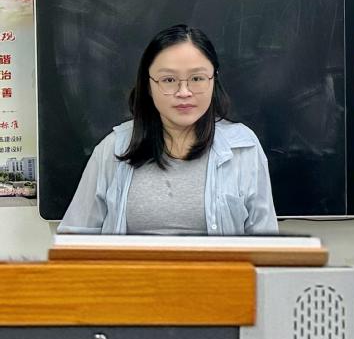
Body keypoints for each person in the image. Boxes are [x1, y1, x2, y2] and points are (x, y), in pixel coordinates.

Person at [58, 24, 278, 235]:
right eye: (169, 79)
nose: (184, 92)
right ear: (149, 85)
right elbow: (74, 241)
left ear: (213, 80)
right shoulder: (113, 149)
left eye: (197, 78)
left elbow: (265, 246)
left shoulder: (244, 148)